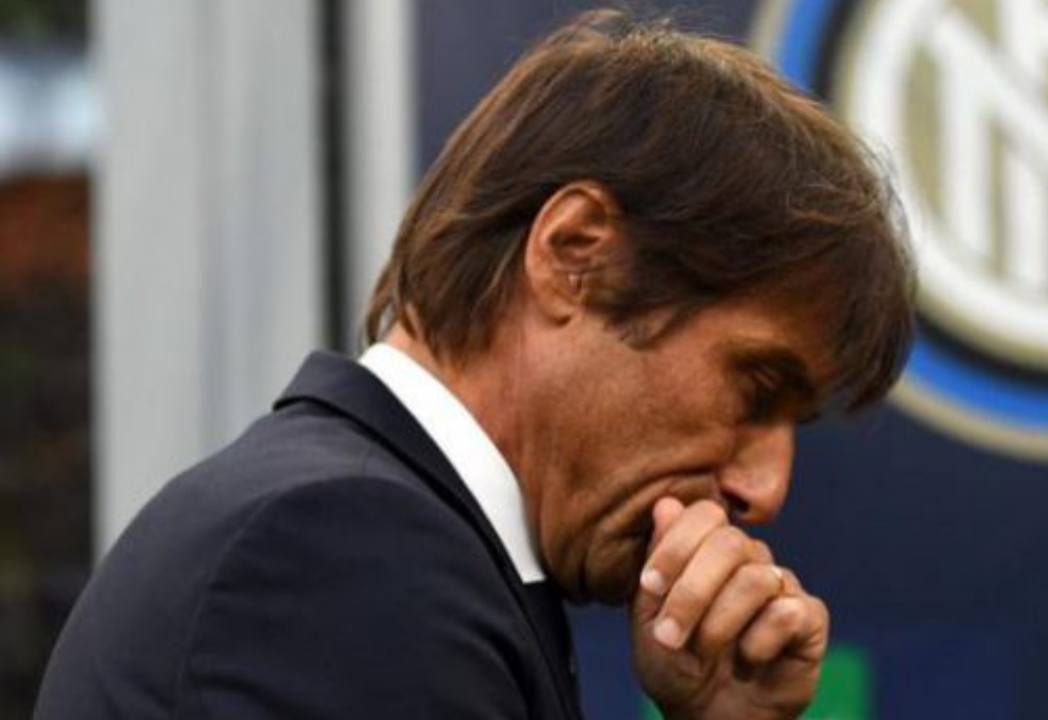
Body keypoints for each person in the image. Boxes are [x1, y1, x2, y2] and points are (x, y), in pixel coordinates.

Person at [35, 9, 913, 720]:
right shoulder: (347, 556)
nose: (766, 489)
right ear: (575, 254)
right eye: (755, 389)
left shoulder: (396, 548)